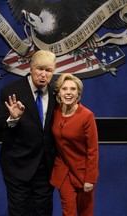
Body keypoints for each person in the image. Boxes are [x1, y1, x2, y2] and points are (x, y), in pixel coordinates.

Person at [0, 50, 57, 216]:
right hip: (17, 165)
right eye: (40, 69)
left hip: (45, 167)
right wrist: (12, 118)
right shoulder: (11, 91)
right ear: (31, 68)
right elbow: (0, 124)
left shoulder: (55, 94)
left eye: (48, 70)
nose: (43, 74)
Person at [50, 73, 99, 216]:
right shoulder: (56, 112)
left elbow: (93, 150)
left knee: (85, 213)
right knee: (68, 212)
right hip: (63, 171)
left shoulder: (86, 115)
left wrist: (90, 179)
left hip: (83, 173)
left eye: (73, 89)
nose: (68, 93)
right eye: (64, 89)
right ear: (59, 92)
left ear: (78, 93)